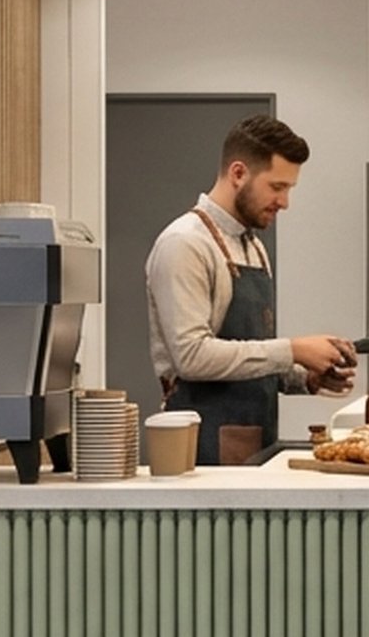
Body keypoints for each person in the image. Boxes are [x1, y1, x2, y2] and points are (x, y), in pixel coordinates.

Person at [146, 114, 355, 466]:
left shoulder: (253, 247)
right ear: (238, 173)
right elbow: (192, 356)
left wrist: (305, 377)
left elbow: (249, 358)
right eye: (277, 187)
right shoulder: (184, 244)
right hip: (203, 451)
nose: (285, 202)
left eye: (289, 189)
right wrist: (292, 350)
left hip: (258, 440)